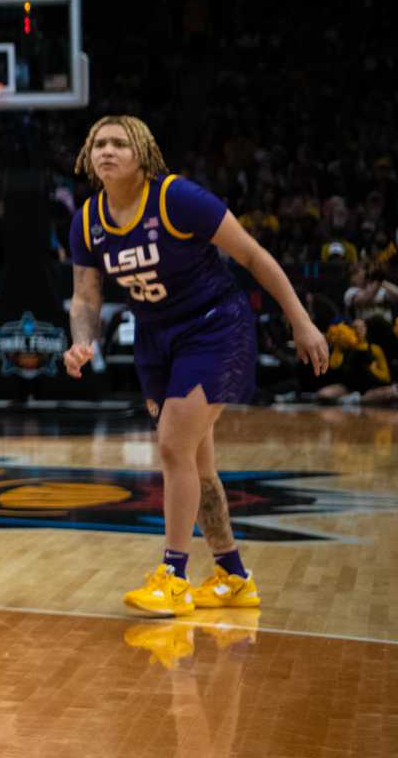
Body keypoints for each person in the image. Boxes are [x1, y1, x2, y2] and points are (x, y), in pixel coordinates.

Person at [63, 115, 329, 615]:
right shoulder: (87, 220)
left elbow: (252, 255)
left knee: (171, 447)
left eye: (120, 142)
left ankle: (174, 575)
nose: (107, 150)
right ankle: (233, 576)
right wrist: (82, 342)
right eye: (99, 143)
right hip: (156, 340)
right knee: (197, 464)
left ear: (142, 153)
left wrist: (301, 321)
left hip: (215, 327)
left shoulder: (176, 198)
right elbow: (84, 295)